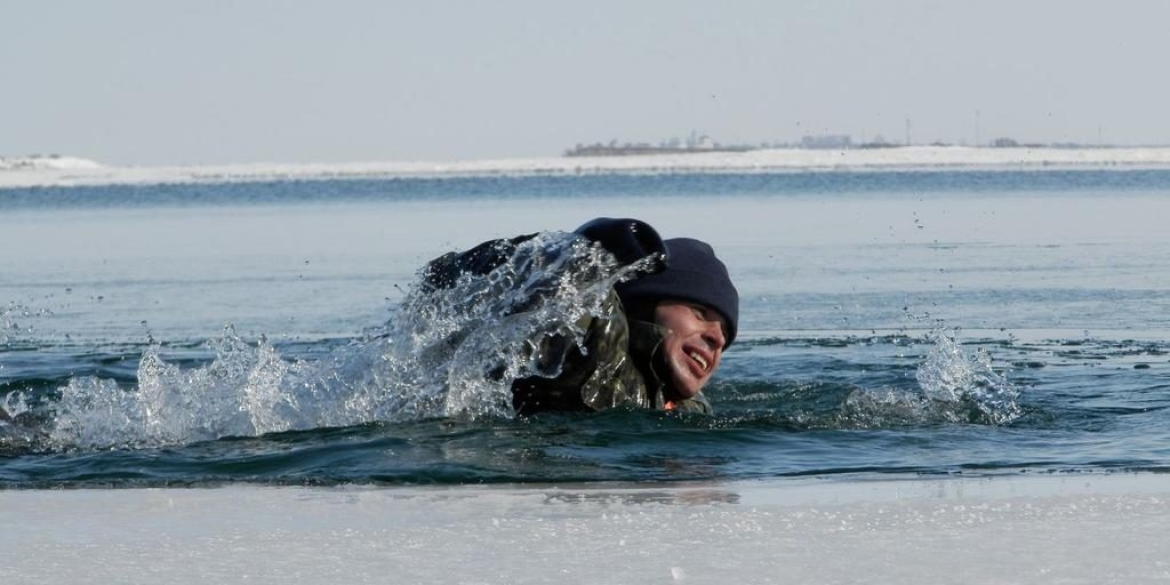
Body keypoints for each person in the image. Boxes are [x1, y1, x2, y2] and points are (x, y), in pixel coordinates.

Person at [421, 217, 738, 416]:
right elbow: (568, 295)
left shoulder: (687, 407)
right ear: (644, 305)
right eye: (700, 313)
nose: (718, 337)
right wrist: (588, 251)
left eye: (725, 333)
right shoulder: (596, 342)